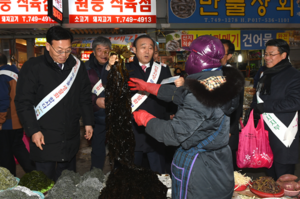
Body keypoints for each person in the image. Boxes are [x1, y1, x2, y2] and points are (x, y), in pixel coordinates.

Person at [129, 35, 244, 198]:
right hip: (218, 166)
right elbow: (182, 94)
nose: (188, 58)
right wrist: (149, 87)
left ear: (197, 59)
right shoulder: (218, 81)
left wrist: (147, 120)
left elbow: (173, 134)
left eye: (190, 55)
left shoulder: (201, 95)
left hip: (198, 172)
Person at [15, 26, 94, 181]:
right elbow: (23, 102)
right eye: (59, 50)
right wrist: (33, 130)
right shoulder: (33, 67)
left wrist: (88, 122)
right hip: (43, 136)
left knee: (68, 182)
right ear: (48, 46)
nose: (63, 55)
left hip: (70, 135)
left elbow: (84, 97)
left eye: (68, 49)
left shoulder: (77, 67)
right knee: (45, 181)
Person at [104, 35, 173, 174]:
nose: (147, 51)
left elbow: (169, 96)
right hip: (132, 128)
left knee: (158, 172)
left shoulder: (163, 70)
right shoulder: (125, 68)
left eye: (150, 48)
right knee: (131, 172)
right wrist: (109, 67)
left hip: (156, 127)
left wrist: (170, 115)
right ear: (134, 49)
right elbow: (108, 85)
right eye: (143, 47)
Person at [252, 39, 300, 181]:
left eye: (272, 54)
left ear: (284, 55)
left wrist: (264, 107)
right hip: (265, 134)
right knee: (270, 177)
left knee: (284, 178)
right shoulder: (265, 74)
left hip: (284, 136)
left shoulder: (294, 75)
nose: (267, 58)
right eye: (266, 54)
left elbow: (295, 102)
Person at [0, 53, 35, 176]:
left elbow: (3, 100)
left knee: (5, 153)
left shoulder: (2, 77)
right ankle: (34, 173)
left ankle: (9, 180)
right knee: (18, 147)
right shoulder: (16, 74)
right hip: (19, 119)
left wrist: (0, 121)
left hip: (7, 122)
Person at [85, 36, 112, 170]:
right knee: (97, 148)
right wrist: (95, 100)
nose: (103, 54)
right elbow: (80, 92)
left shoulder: (116, 66)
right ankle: (96, 175)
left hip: (114, 116)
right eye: (99, 50)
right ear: (94, 52)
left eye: (106, 50)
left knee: (117, 148)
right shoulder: (85, 68)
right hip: (95, 116)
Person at [220, 39, 244, 170]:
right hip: (210, 129)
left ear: (229, 56)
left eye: (222, 52)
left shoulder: (234, 75)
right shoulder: (208, 72)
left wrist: (230, 128)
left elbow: (238, 105)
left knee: (228, 165)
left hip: (228, 128)